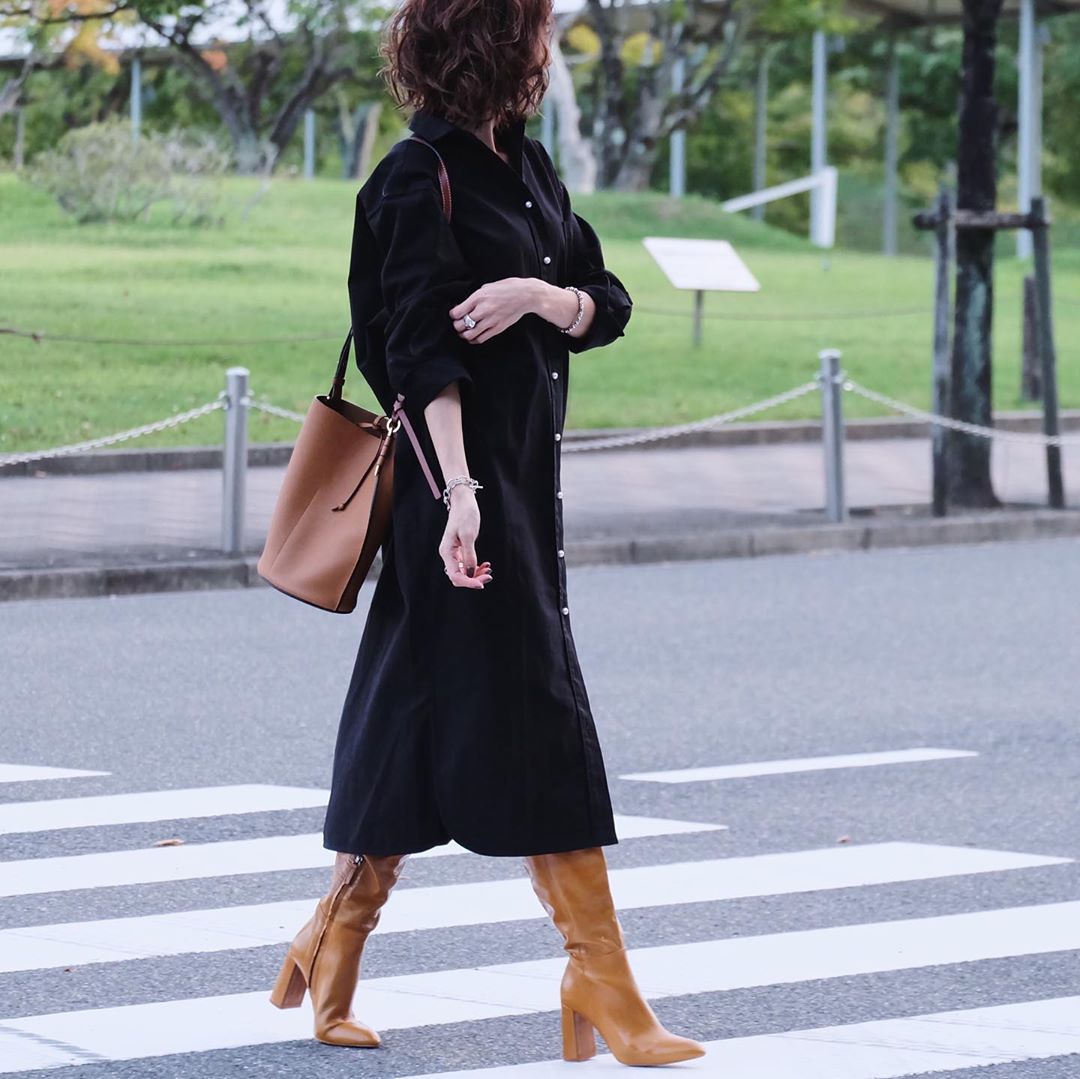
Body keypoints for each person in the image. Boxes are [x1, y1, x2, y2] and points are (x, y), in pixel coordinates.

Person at [269, 0, 705, 1067]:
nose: (547, 51)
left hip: (519, 489)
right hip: (455, 497)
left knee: (413, 715)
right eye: (537, 33)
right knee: (537, 710)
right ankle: (601, 978)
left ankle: (332, 938)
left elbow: (606, 301)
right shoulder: (413, 180)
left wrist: (536, 296)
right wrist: (460, 494)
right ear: (496, 47)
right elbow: (417, 353)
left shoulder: (530, 167)